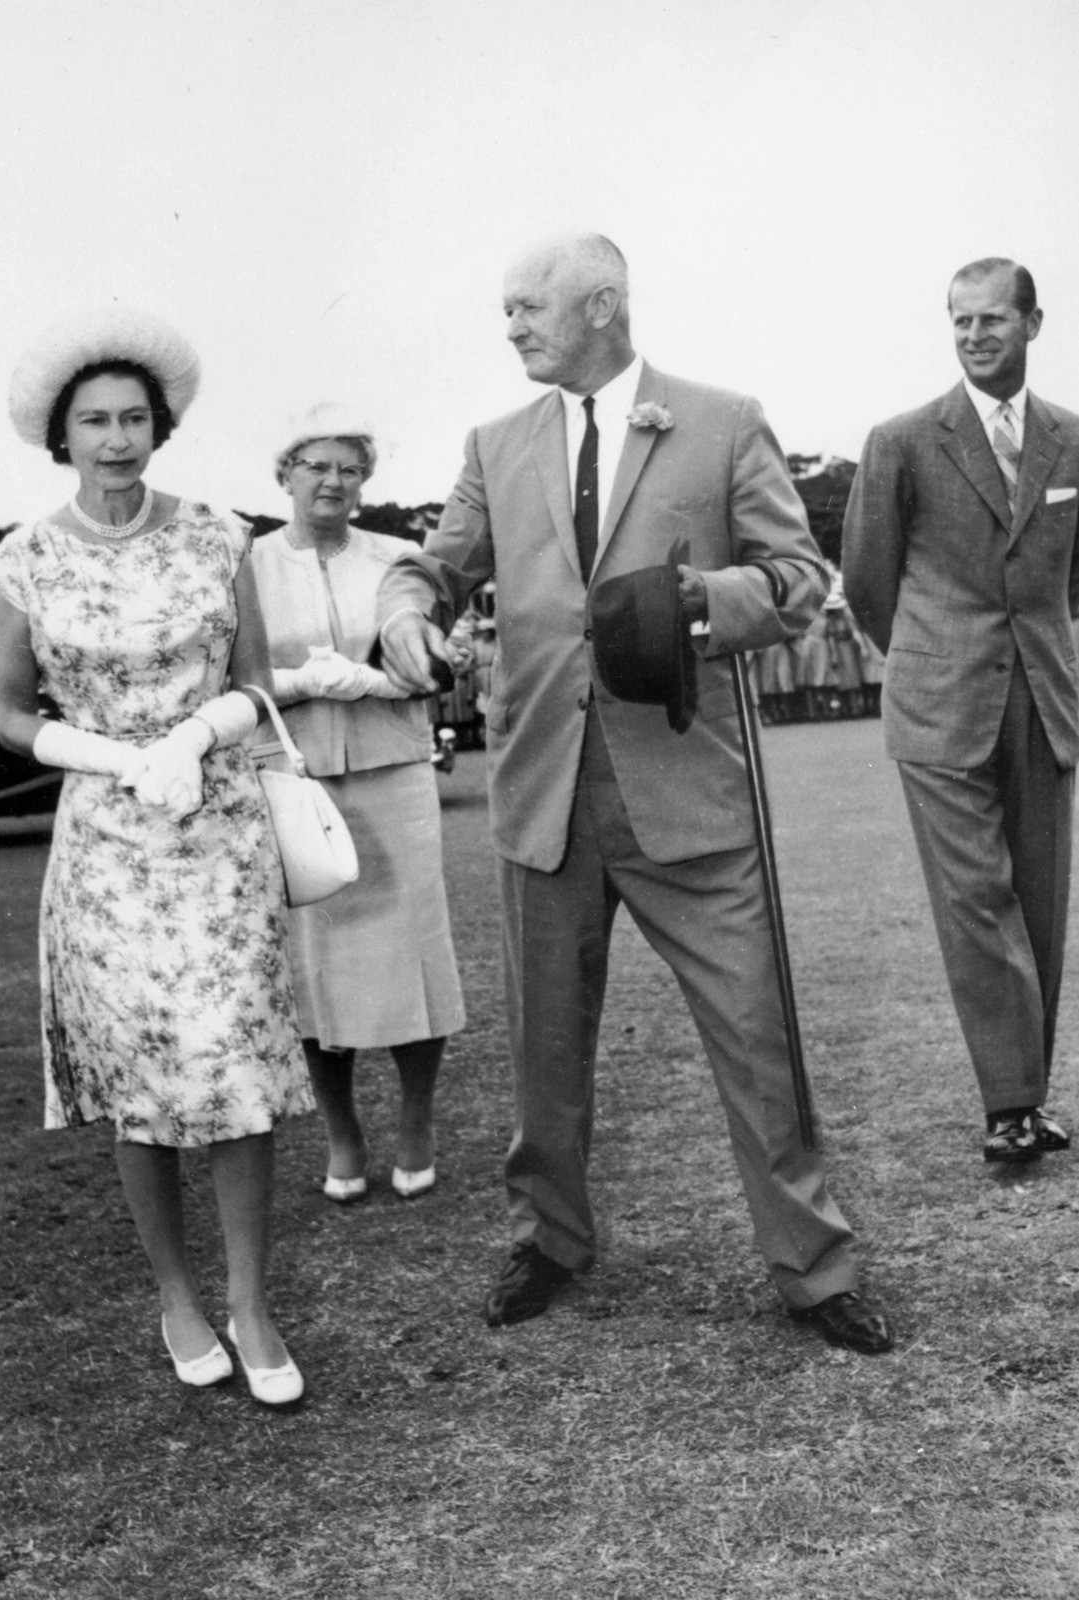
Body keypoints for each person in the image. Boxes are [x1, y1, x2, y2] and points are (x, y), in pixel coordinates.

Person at [378, 234, 893, 1354]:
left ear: (602, 304)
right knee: (543, 1048)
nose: (508, 326)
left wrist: (694, 604)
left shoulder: (717, 418)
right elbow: (430, 565)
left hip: (688, 793)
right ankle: (550, 1239)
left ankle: (814, 1269)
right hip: (542, 796)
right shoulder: (492, 442)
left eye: (526, 306)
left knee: (757, 1037)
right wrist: (404, 613)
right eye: (503, 309)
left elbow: (800, 580)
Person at [0, 307, 309, 1405]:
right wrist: (107, 756)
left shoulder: (220, 534)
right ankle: (176, 1291)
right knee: (140, 1078)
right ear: (61, 437)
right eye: (94, 421)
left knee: (235, 1064)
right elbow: (11, 714)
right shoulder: (22, 561)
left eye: (133, 418)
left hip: (217, 831)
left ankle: (252, 1303)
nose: (116, 438)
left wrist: (190, 735)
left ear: (158, 426)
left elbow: (257, 682)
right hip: (108, 848)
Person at [843, 257, 1079, 1165]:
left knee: (1037, 900)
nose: (975, 336)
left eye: (992, 320)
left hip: (1046, 700)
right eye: (960, 322)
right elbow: (866, 581)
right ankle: (1008, 1104)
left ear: (1033, 323)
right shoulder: (900, 439)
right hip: (940, 704)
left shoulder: (1069, 439)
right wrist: (925, 656)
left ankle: (1028, 1091)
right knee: (977, 897)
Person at [251, 404, 465, 1204]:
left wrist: (377, 680)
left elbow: (443, 668)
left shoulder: (400, 559)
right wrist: (302, 682)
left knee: (413, 952)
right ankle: (342, 1133)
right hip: (291, 775)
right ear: (286, 475)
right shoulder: (248, 565)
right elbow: (223, 678)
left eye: (349, 468)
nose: (333, 481)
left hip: (392, 767)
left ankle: (416, 1122)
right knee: (313, 967)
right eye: (317, 467)